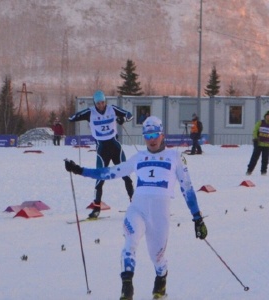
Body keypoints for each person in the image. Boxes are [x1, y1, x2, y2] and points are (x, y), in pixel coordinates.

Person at [64, 115, 208, 300]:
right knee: (130, 243)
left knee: (157, 257)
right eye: (147, 135)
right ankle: (127, 287)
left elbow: (187, 188)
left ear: (162, 134)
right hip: (137, 209)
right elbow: (110, 173)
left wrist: (197, 218)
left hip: (159, 216)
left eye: (155, 134)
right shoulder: (138, 157)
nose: (152, 139)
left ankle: (161, 276)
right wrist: (80, 170)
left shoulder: (175, 157)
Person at [68, 90, 134, 218]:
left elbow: (129, 115)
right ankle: (96, 208)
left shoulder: (112, 109)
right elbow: (72, 118)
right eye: (98, 103)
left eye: (103, 102)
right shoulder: (90, 112)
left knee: (126, 175)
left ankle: (135, 203)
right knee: (100, 179)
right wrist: (76, 118)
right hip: (102, 150)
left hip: (115, 147)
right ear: (95, 103)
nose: (101, 105)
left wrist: (122, 118)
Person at [246, 110, 269, 175]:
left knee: (265, 160)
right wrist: (255, 138)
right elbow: (255, 130)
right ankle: (249, 171)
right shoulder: (260, 122)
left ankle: (263, 172)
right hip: (259, 144)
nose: (268, 117)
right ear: (265, 117)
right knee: (254, 158)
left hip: (267, 145)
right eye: (267, 116)